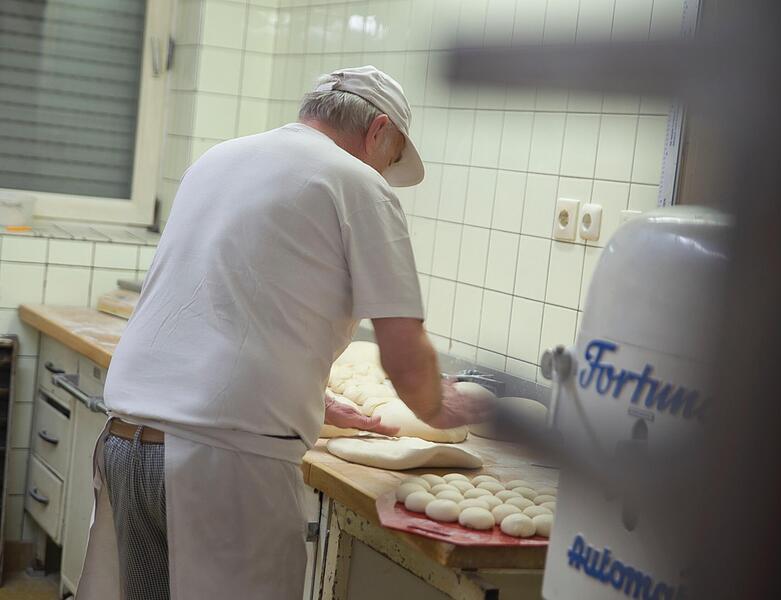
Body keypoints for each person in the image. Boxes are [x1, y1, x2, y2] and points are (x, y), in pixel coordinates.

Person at [75, 66, 491, 600]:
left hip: (127, 441)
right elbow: (405, 354)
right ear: (381, 130)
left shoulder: (218, 159)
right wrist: (443, 409)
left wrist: (307, 396)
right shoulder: (358, 183)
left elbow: (227, 300)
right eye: (389, 162)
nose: (383, 174)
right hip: (224, 464)